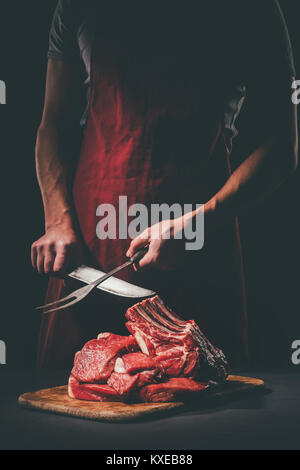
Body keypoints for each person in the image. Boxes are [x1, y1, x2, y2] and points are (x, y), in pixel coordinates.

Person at [32, 0, 298, 370]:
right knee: (76, 402)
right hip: (91, 247)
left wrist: (200, 222)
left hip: (199, 242)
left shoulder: (252, 8)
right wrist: (57, 220)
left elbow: (281, 145)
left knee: (207, 411)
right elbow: (53, 123)